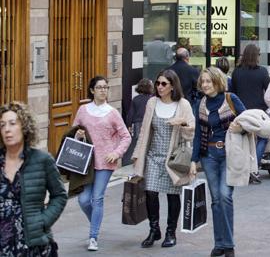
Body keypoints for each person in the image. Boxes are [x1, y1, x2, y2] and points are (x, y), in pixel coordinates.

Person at [132, 70, 195, 249]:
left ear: (172, 86)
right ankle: (154, 230)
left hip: (173, 158)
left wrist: (182, 124)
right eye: (158, 83)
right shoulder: (152, 102)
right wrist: (137, 155)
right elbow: (144, 130)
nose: (159, 87)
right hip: (153, 155)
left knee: (172, 195)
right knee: (150, 192)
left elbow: (192, 130)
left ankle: (170, 232)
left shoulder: (183, 105)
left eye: (164, 84)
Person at [191, 67, 246, 257]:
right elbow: (198, 134)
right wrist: (193, 161)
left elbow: (248, 121)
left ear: (217, 82)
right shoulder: (200, 103)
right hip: (209, 156)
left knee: (224, 196)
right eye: (203, 81)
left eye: (209, 81)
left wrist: (238, 126)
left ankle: (229, 244)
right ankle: (219, 243)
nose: (205, 84)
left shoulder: (231, 99)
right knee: (215, 200)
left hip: (229, 154)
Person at [0, 102, 67, 256]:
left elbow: (60, 195)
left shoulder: (42, 160)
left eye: (12, 124)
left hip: (34, 246)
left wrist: (43, 221)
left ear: (24, 127)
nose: (7, 130)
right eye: (2, 125)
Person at [73, 76, 132, 251]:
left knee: (97, 198)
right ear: (92, 90)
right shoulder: (83, 110)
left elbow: (126, 136)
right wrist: (79, 135)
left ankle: (93, 236)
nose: (103, 90)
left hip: (105, 162)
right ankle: (95, 222)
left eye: (105, 87)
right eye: (99, 87)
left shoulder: (112, 112)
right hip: (86, 162)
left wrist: (116, 153)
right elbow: (74, 131)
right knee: (84, 200)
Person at [230, 44, 270, 184]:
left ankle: (245, 168)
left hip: (241, 111)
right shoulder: (262, 72)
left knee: (244, 141)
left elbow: (232, 92)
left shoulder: (236, 72)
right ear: (256, 56)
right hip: (258, 111)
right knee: (263, 138)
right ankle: (253, 169)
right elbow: (269, 90)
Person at [124, 78, 154, 166]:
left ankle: (138, 161)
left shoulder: (135, 99)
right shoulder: (152, 99)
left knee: (138, 143)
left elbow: (130, 114)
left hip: (137, 123)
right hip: (148, 122)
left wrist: (128, 125)